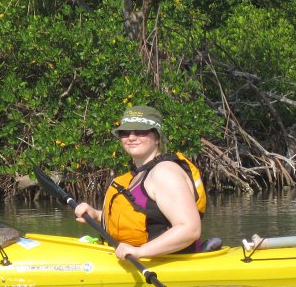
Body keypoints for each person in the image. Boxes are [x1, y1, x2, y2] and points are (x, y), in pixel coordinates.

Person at [74, 105, 206, 260]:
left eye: (140, 131)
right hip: (139, 257)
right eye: (125, 133)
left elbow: (190, 229)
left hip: (169, 263)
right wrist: (96, 215)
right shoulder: (137, 176)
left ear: (157, 137)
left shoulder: (165, 172)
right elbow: (148, 217)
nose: (131, 137)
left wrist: (140, 252)